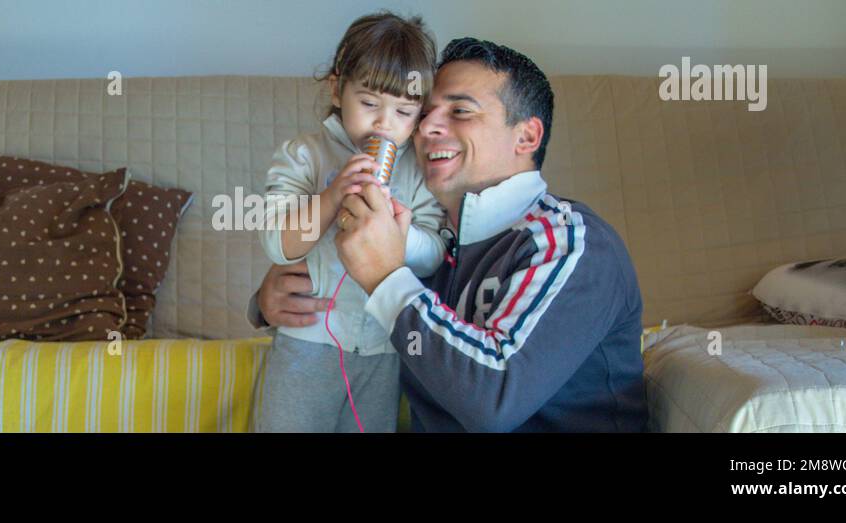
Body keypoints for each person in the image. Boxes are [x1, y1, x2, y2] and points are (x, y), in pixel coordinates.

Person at [252, 38, 648, 432]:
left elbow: (493, 398)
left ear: (526, 137)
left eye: (460, 111)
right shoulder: (433, 244)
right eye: (424, 112)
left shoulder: (568, 243)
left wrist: (386, 278)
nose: (426, 127)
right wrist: (270, 302)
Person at [254, 11, 447, 433]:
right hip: (308, 342)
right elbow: (276, 243)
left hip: (382, 350)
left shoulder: (418, 171)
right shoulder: (304, 155)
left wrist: (400, 235)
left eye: (403, 112)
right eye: (369, 104)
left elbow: (433, 254)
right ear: (338, 89)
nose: (384, 124)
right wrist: (331, 196)